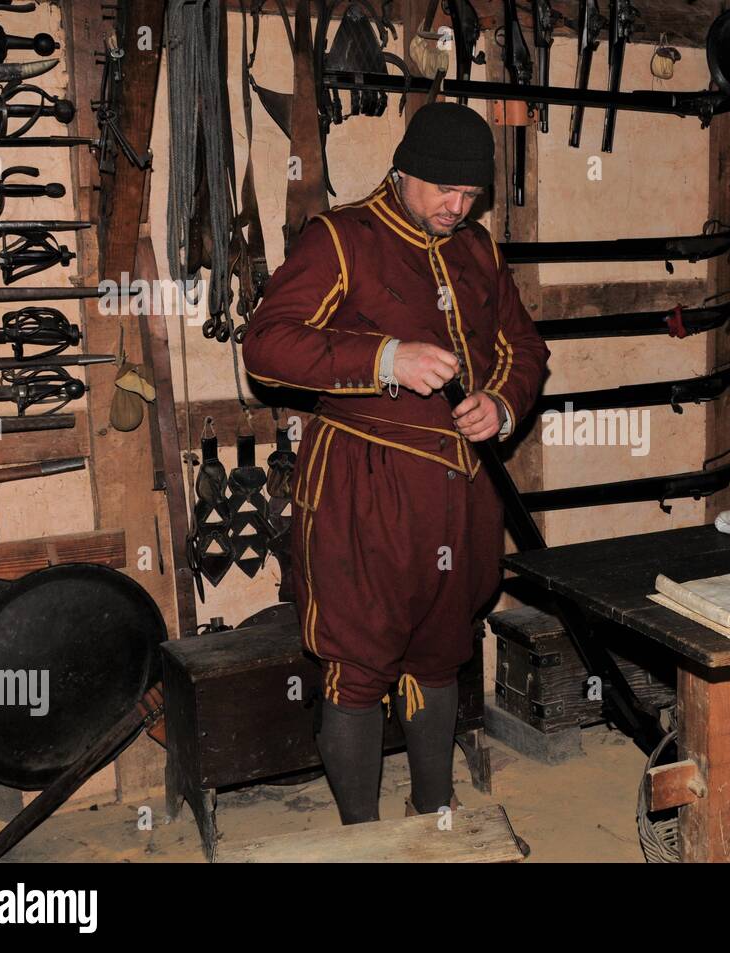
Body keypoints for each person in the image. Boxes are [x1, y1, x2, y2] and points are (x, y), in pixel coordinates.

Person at [242, 102, 550, 823]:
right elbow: (266, 344)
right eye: (445, 191)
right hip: (362, 489)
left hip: (460, 495)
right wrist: (385, 357)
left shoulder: (478, 251)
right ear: (403, 170)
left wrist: (503, 405)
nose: (457, 207)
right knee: (357, 666)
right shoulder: (342, 239)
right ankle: (362, 839)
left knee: (441, 655)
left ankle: (435, 819)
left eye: (472, 196)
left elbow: (523, 347)